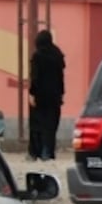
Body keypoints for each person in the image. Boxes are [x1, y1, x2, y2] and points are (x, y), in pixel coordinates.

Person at [28, 29, 66, 161]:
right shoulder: (57, 55)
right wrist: (61, 94)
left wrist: (32, 93)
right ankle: (48, 151)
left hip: (40, 96)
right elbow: (61, 77)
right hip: (54, 96)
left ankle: (36, 152)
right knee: (51, 125)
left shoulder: (37, 56)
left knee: (37, 125)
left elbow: (35, 77)